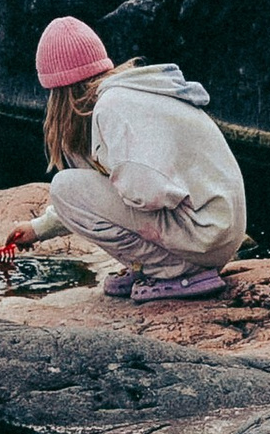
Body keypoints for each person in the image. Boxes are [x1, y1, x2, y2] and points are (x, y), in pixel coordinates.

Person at [20, 15, 245, 299]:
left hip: (203, 236)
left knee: (64, 187)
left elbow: (150, 193)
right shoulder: (133, 93)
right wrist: (39, 228)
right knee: (73, 182)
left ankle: (172, 270)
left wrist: (119, 183)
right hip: (216, 231)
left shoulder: (111, 107)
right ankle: (163, 265)